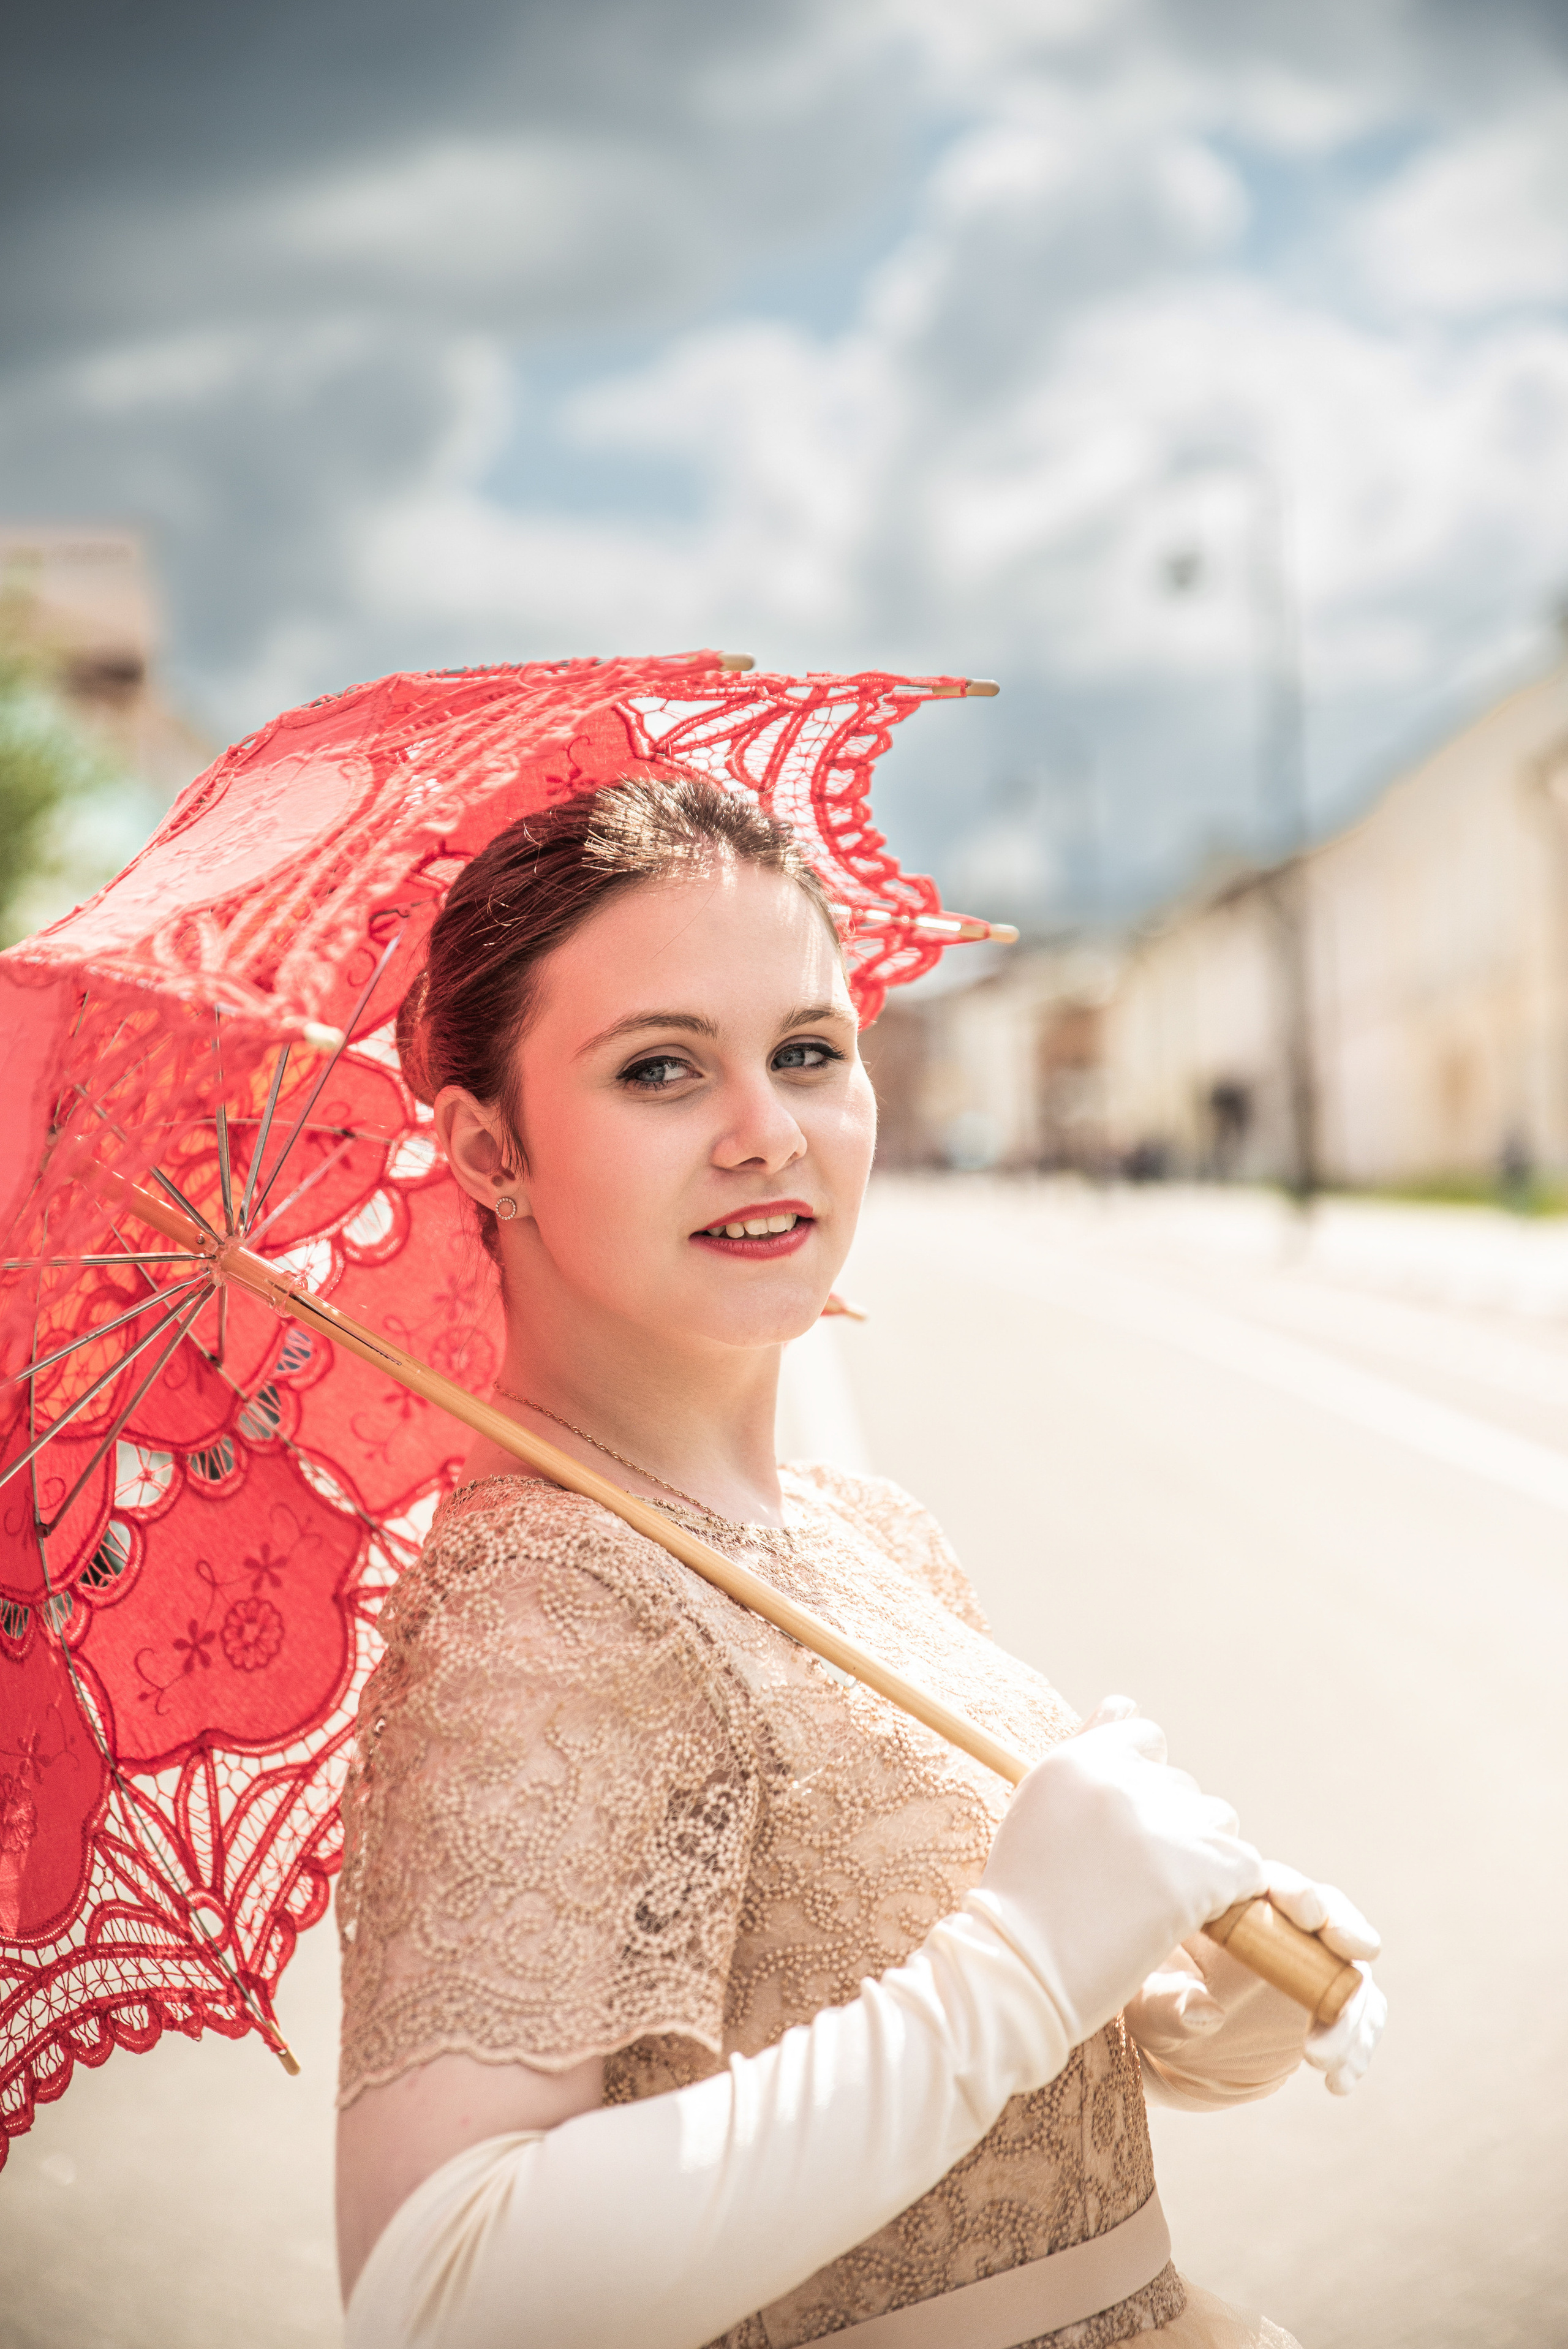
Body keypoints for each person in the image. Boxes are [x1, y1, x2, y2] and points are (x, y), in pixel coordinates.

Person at [334, 774, 1385, 2349]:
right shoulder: (531, 1602)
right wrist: (1022, 1962)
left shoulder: (869, 1534)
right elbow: (443, 2296)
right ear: (491, 1152)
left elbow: (886, 2043)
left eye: (808, 1052)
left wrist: (1182, 1999)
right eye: (660, 1067)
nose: (767, 1132)